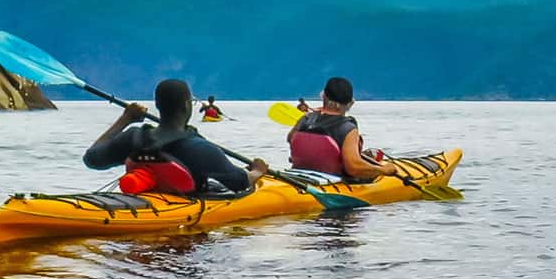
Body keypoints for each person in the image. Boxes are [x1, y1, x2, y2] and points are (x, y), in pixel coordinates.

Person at [84, 78, 266, 196]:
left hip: (145, 202)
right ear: (187, 106)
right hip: (183, 221)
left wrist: (125, 119)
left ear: (157, 105)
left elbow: (92, 159)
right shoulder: (201, 149)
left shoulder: (133, 138)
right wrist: (257, 171)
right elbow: (240, 183)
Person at [286, 76, 395, 181]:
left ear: (323, 96)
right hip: (335, 180)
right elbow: (354, 168)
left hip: (301, 174)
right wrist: (383, 170)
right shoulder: (348, 128)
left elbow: (291, 139)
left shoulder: (305, 119)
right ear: (350, 103)